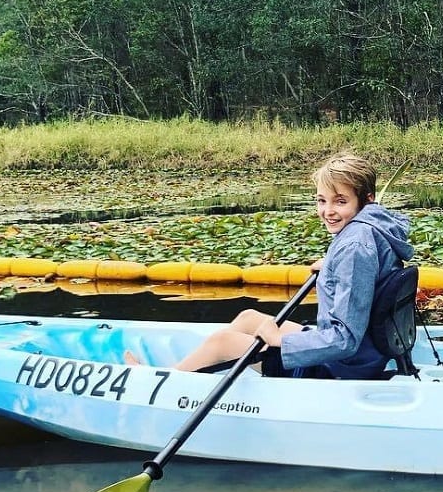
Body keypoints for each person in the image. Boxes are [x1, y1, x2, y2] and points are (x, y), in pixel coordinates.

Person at [126, 153, 413, 380]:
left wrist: (279, 341)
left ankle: (162, 383)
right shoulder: (372, 228)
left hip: (342, 364)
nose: (328, 211)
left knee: (222, 342)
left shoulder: (354, 248)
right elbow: (368, 270)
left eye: (341, 201)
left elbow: (345, 340)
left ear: (367, 201)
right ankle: (189, 372)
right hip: (362, 349)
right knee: (249, 317)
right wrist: (332, 266)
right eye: (321, 200)